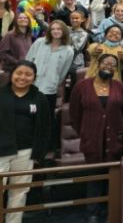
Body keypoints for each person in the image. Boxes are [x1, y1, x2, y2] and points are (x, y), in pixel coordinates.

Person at [69, 54, 123, 222]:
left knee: (112, 179)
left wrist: (117, 128)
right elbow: (74, 115)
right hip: (92, 141)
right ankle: (93, 213)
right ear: (97, 64)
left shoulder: (120, 87)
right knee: (94, 179)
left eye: (113, 65)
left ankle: (111, 213)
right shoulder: (82, 86)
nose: (109, 66)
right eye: (106, 63)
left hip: (115, 140)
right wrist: (86, 132)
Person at [0, 61, 50, 223]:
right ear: (11, 74)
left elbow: (45, 127)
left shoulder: (39, 98)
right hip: (1, 151)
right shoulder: (1, 94)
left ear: (34, 78)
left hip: (26, 152)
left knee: (19, 192)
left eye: (28, 74)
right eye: (19, 73)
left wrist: (38, 153)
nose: (22, 77)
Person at [25, 19, 74, 147]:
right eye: (53, 29)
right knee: (28, 116)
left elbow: (63, 72)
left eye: (59, 29)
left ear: (64, 31)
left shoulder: (68, 50)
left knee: (44, 120)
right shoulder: (40, 42)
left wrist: (54, 82)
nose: (55, 31)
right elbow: (28, 61)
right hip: (31, 87)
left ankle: (42, 148)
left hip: (49, 90)